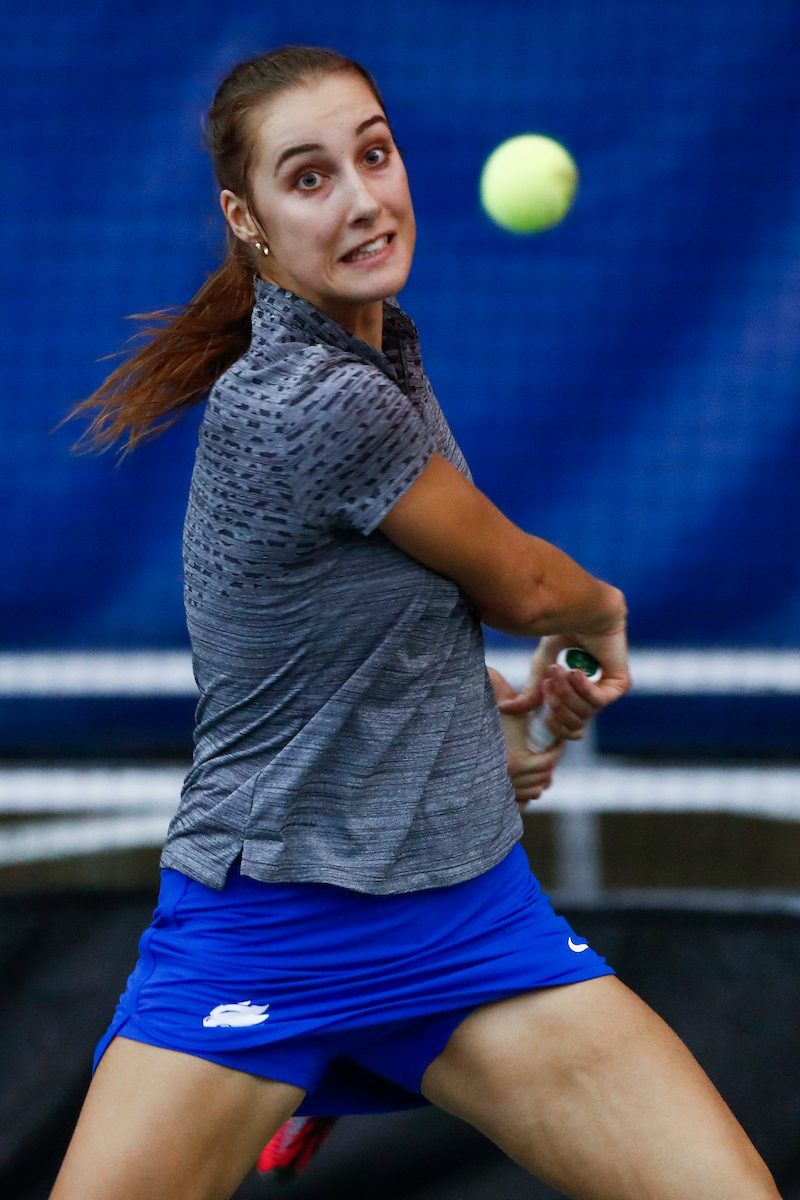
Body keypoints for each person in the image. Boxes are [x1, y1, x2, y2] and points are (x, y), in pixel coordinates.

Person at [52, 46, 780, 1200]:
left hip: (466, 928)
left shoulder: (382, 347)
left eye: (373, 154)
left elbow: (347, 637)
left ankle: (331, 1063)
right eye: (308, 178)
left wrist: (467, 732)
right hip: (270, 929)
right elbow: (526, 592)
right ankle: (303, 1055)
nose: (359, 198)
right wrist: (601, 614)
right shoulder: (313, 395)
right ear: (244, 219)